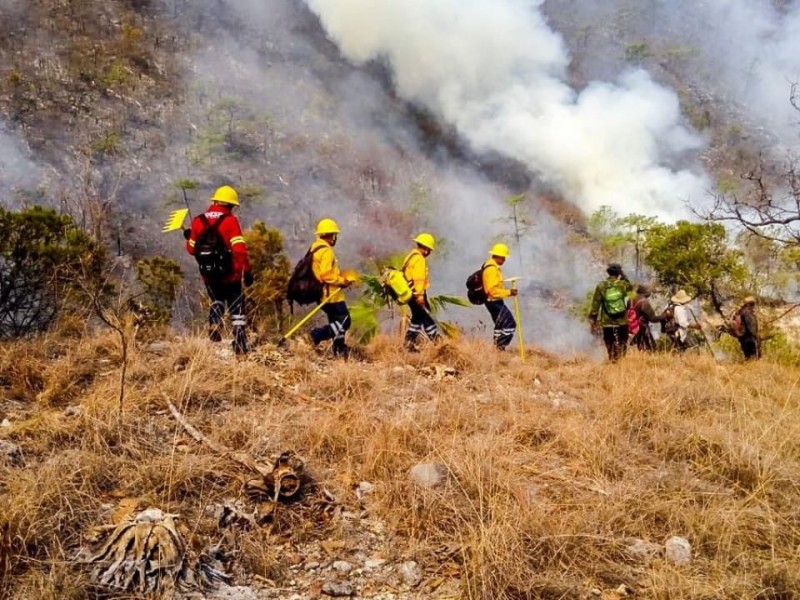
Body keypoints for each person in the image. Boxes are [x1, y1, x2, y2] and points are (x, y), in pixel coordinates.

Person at [186, 185, 253, 355]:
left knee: (216, 300)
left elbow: (191, 249)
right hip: (230, 275)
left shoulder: (197, 221)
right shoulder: (230, 221)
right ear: (230, 205)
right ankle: (239, 341)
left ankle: (214, 323)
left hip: (209, 275)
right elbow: (239, 251)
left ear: (215, 201)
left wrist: (189, 236)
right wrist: (245, 271)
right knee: (237, 306)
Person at [308, 218, 353, 358]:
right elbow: (326, 275)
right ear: (331, 235)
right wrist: (342, 281)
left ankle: (339, 349)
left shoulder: (315, 247)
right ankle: (316, 335)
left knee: (336, 322)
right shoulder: (326, 251)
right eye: (334, 235)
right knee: (345, 322)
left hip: (321, 294)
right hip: (331, 295)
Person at [589, 263, 633, 362]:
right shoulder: (623, 284)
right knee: (623, 339)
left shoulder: (601, 286)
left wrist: (593, 319)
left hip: (607, 319)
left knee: (609, 339)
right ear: (618, 273)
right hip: (622, 319)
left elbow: (596, 304)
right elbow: (630, 287)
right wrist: (623, 275)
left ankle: (612, 357)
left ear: (608, 272)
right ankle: (621, 358)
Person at [403, 233, 439, 351]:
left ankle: (408, 343)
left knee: (417, 318)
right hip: (416, 293)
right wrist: (420, 296)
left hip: (409, 292)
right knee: (426, 317)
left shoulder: (411, 256)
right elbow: (418, 280)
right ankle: (438, 344)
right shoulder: (419, 259)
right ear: (427, 248)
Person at [482, 243, 517, 350]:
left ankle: (496, 350)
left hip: (493, 301)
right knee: (510, 324)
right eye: (504, 257)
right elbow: (492, 291)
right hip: (493, 301)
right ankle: (499, 348)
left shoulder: (490, 265)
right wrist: (509, 292)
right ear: (499, 256)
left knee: (499, 325)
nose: (505, 260)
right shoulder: (492, 269)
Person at [629, 285, 665, 352]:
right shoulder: (644, 302)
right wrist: (664, 316)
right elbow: (653, 319)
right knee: (651, 348)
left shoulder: (631, 299)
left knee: (638, 347)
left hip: (632, 327)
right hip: (642, 327)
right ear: (646, 293)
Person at [733, 296, 760, 360]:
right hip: (748, 338)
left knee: (748, 357)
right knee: (752, 357)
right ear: (750, 304)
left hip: (744, 338)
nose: (754, 306)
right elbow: (750, 327)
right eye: (753, 304)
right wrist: (755, 336)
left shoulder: (743, 312)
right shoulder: (747, 313)